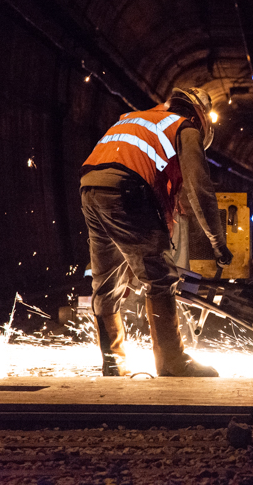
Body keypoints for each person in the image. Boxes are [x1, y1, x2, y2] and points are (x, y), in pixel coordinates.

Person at [79, 87, 233, 377]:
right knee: (161, 278)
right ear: (198, 116)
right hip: (127, 189)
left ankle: (113, 363)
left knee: (106, 281)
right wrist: (217, 242)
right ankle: (173, 362)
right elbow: (200, 190)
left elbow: (158, 179)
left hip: (90, 187)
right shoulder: (184, 128)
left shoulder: (136, 118)